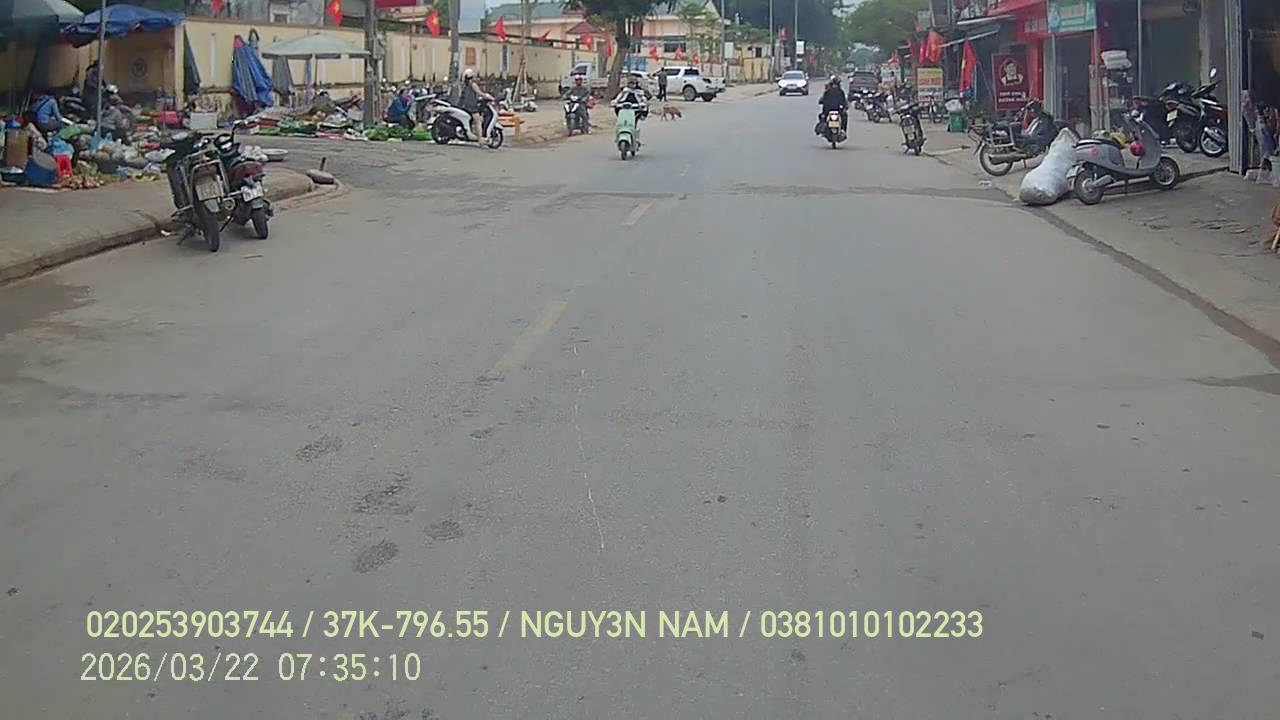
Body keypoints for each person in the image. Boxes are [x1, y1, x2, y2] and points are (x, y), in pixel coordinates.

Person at [460, 68, 494, 144]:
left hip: (465, 105)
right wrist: (488, 97)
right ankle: (480, 138)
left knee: (474, 120)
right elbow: (479, 93)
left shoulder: (465, 85)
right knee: (478, 121)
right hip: (471, 106)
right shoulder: (473, 84)